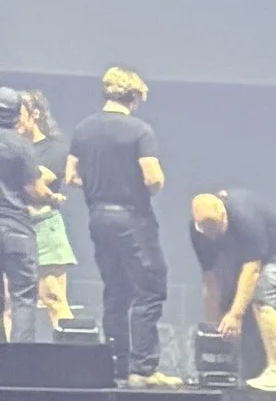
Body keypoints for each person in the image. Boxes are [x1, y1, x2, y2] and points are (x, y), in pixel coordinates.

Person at [66, 66, 176, 384]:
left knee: (115, 292)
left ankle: (117, 366)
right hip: (132, 218)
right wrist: (145, 185)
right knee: (150, 288)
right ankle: (144, 368)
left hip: (98, 217)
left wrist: (99, 184)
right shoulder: (140, 130)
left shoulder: (83, 129)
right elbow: (152, 178)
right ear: (135, 97)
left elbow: (71, 177)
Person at [188, 188, 276, 388]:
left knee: (261, 298)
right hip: (255, 257)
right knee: (232, 299)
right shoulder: (198, 232)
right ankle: (248, 369)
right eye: (207, 232)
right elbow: (210, 278)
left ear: (224, 215)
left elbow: (252, 270)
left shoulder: (244, 215)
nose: (213, 236)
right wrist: (214, 330)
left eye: (217, 229)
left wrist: (235, 315)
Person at [15, 89, 80, 327]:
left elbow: (36, 184)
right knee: (9, 302)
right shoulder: (9, 146)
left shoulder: (55, 149)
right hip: (11, 225)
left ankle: (70, 348)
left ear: (34, 114)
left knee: (53, 296)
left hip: (42, 227)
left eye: (18, 114)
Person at [0, 90, 56, 341]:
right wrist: (51, 197)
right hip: (16, 228)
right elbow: (35, 190)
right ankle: (20, 359)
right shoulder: (21, 146)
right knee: (22, 297)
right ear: (17, 114)